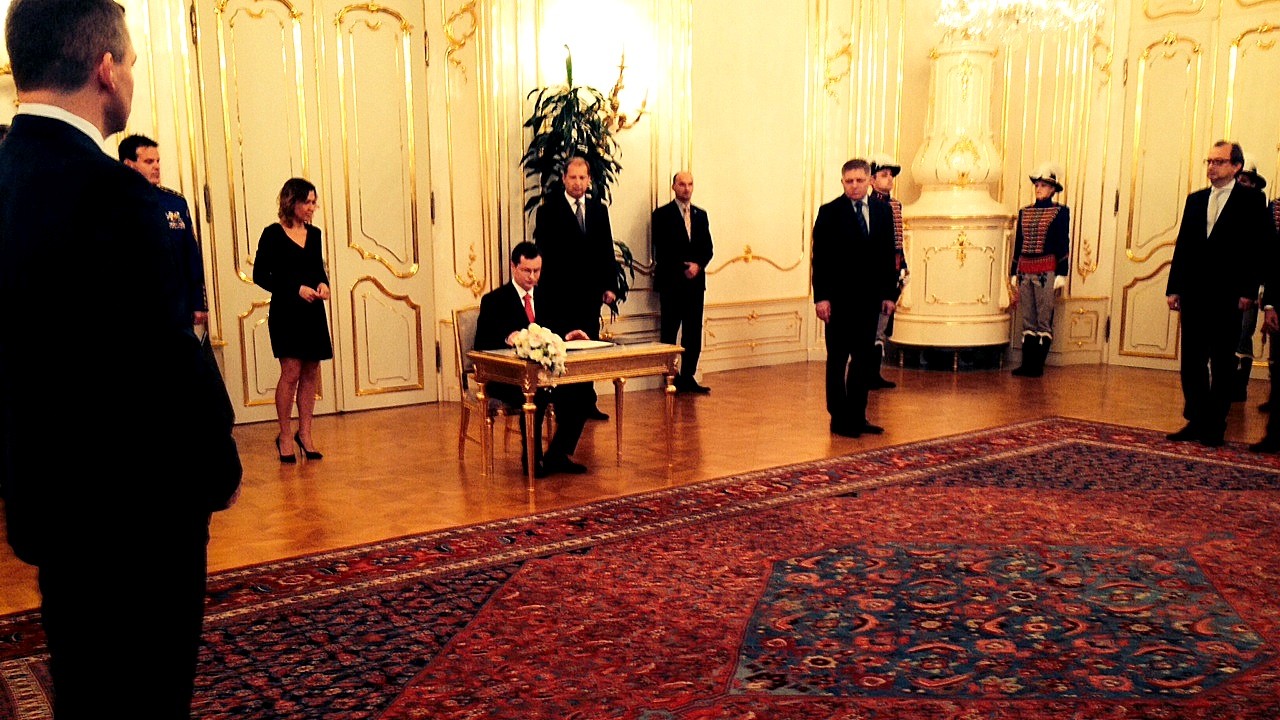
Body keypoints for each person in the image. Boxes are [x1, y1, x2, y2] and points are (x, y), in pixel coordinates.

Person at [0, 1, 242, 716]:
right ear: (106, 70)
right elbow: (165, 357)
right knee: (146, 696)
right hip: (135, 513)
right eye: (131, 60)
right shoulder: (116, 197)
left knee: (85, 687)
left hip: (46, 495)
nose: (132, 74)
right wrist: (220, 464)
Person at [1166, 141, 1271, 447]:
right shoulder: (1196, 199)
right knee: (1192, 361)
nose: (1212, 167)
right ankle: (1196, 419)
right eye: (1209, 161)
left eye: (1219, 162)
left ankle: (1215, 424)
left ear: (1236, 167)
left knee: (1222, 362)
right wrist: (1174, 287)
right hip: (1194, 292)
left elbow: (1258, 248)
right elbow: (1184, 245)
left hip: (1228, 294)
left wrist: (1249, 290)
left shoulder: (1252, 200)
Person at [475, 242, 593, 477]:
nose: (532, 277)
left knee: (583, 391)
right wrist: (507, 338)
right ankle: (531, 459)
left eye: (537, 271)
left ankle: (558, 454)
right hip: (507, 379)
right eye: (527, 270)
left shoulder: (549, 296)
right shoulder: (494, 301)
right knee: (535, 394)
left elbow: (557, 330)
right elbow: (481, 345)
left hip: (546, 375)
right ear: (513, 267)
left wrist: (569, 335)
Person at [812, 158, 899, 438]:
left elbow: (887, 255)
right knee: (838, 360)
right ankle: (839, 417)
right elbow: (820, 259)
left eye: (859, 180)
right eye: (849, 181)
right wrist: (821, 298)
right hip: (838, 301)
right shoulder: (829, 212)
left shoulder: (882, 212)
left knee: (863, 360)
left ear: (869, 181)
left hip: (869, 300)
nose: (854, 186)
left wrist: (889, 294)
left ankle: (858, 416)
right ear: (842, 182)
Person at [253, 177, 333, 463]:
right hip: (286, 312)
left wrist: (323, 284)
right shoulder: (272, 234)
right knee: (291, 373)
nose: (312, 207)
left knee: (311, 372)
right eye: (307, 202)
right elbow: (260, 275)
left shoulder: (315, 234)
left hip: (312, 312)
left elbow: (317, 270)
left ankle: (305, 433)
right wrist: (295, 288)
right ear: (292, 202)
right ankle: (285, 435)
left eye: (314, 202)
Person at [533, 156, 619, 420]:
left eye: (583, 178)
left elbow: (606, 250)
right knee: (565, 351)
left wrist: (610, 286)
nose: (578, 183)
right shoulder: (548, 211)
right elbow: (545, 255)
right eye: (573, 178)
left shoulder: (598, 210)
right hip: (559, 296)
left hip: (589, 296)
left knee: (588, 349)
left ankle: (587, 403)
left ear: (589, 180)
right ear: (564, 179)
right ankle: (564, 406)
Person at [119, 133, 209, 330]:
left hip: (177, 304)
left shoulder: (175, 202)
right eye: (149, 162)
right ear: (129, 164)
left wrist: (198, 302)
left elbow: (190, 253)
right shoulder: (115, 203)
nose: (157, 167)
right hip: (135, 305)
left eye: (158, 161)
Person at [652, 170, 713, 394]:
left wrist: (698, 265)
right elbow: (662, 249)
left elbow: (708, 248)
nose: (686, 189)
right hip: (672, 283)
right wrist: (683, 268)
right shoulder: (661, 215)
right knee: (669, 332)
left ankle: (688, 376)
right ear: (674, 187)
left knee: (693, 333)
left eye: (690, 184)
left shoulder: (700, 215)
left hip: (695, 285)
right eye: (682, 184)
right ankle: (670, 377)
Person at [1009, 163, 1071, 378]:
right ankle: (1027, 364)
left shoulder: (1060, 212)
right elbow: (1019, 243)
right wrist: (1014, 270)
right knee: (1028, 318)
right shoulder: (1024, 212)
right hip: (1025, 269)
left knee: (1043, 318)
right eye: (1037, 185)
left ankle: (1037, 366)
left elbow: (1063, 242)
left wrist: (1062, 272)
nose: (1038, 189)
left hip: (1046, 270)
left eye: (1043, 185)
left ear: (1052, 189)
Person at [869, 154, 909, 389]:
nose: (890, 179)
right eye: (884, 175)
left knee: (883, 324)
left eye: (891, 176)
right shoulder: (869, 205)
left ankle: (875, 373)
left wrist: (902, 265)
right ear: (872, 180)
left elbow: (897, 241)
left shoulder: (895, 205)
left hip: (891, 270)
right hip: (874, 272)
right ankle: (865, 373)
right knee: (872, 324)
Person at [1231, 157, 1269, 402]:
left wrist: (1258, 287)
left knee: (1244, 334)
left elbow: (1263, 252)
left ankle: (1239, 386)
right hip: (1226, 284)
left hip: (1249, 286)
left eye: (1246, 181)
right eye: (1239, 180)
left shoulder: (1261, 213)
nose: (1241, 184)